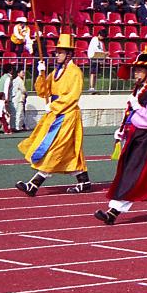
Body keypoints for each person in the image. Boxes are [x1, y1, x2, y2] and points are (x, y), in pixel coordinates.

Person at [94, 53, 147, 224]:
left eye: (140, 71)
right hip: (137, 138)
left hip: (146, 140)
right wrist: (123, 130)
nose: (135, 74)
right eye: (136, 70)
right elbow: (131, 115)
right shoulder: (139, 90)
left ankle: (113, 212)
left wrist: (138, 107)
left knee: (132, 175)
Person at [16, 34, 91, 196]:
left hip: (67, 114)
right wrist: (41, 74)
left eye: (60, 52)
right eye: (56, 52)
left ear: (69, 54)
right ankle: (84, 181)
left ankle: (34, 184)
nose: (56, 55)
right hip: (56, 114)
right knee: (69, 151)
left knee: (53, 147)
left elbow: (73, 96)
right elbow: (43, 91)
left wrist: (54, 105)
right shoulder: (56, 72)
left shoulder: (75, 72)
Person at [10, 66, 27, 132]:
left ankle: (15, 126)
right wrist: (26, 93)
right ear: (18, 73)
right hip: (19, 98)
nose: (23, 74)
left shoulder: (15, 80)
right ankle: (17, 126)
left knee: (16, 113)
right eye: (22, 72)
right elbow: (23, 90)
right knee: (19, 113)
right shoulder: (20, 81)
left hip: (15, 98)